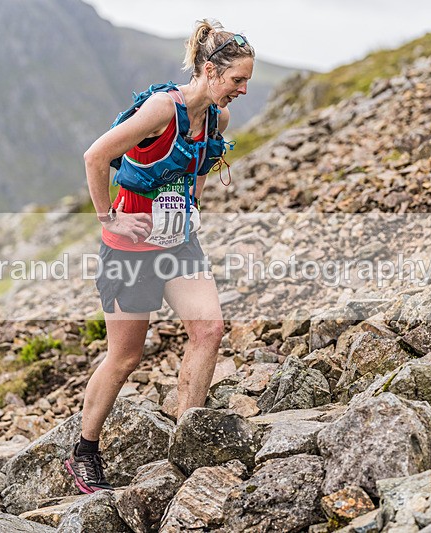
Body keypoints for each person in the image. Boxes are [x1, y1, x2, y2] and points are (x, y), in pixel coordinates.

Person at [64, 19, 255, 493]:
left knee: (208, 329)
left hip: (177, 242)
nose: (243, 90)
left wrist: (191, 207)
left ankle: (187, 439)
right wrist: (108, 218)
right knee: (126, 356)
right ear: (210, 71)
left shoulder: (217, 117)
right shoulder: (159, 110)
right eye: (237, 80)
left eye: (247, 81)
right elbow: (95, 157)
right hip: (128, 248)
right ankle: (84, 450)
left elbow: (204, 162)